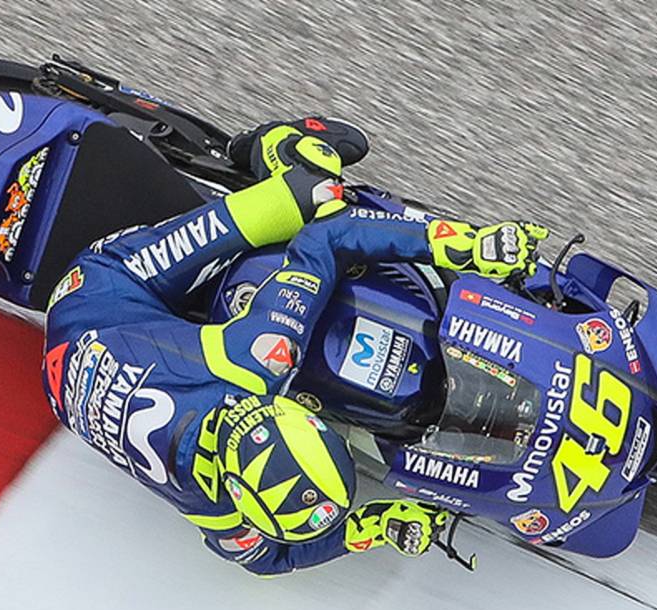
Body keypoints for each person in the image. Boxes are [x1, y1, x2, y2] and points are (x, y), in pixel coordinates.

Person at [42, 117, 545, 575]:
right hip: (63, 389)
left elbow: (328, 239)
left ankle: (273, 146)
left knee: (314, 194)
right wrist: (371, 529)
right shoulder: (211, 502)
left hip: (100, 293)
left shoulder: (254, 360)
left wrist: (461, 244)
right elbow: (265, 560)